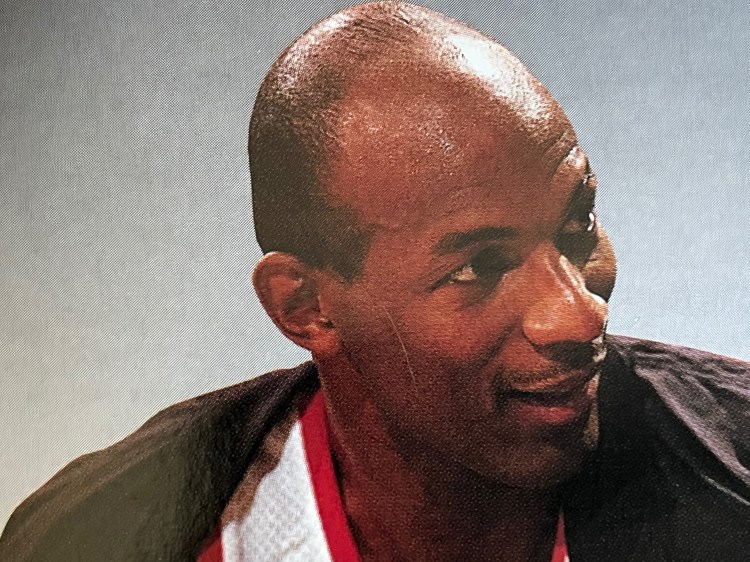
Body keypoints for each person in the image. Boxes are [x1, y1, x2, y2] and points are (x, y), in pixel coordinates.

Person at [2, 2, 749, 561]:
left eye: (576, 226)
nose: (579, 314)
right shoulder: (97, 537)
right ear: (305, 307)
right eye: (477, 267)